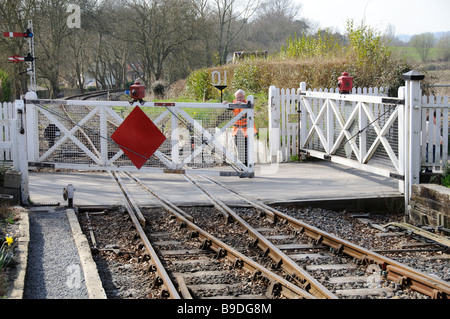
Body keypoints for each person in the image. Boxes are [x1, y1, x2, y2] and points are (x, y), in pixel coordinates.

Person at [227, 89, 257, 166]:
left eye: (240, 97)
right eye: (237, 97)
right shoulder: (234, 104)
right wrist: (225, 103)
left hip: (248, 131)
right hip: (237, 131)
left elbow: (250, 111)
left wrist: (241, 104)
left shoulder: (249, 103)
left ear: (244, 96)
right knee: (240, 149)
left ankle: (249, 166)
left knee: (248, 149)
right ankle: (243, 166)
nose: (239, 99)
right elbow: (228, 107)